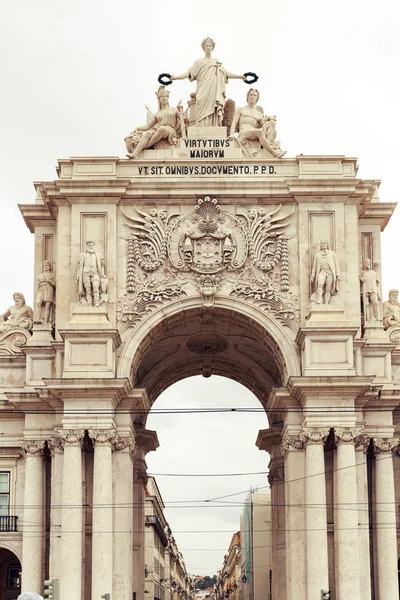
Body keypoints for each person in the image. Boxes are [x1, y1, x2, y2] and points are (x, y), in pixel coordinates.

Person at [170, 38, 245, 127]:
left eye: (210, 46)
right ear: (203, 47)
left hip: (214, 90)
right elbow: (189, 73)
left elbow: (226, 73)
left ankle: (214, 126)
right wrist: (176, 77)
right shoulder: (198, 62)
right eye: (206, 46)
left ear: (212, 47)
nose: (208, 47)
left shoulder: (217, 63)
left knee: (214, 107)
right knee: (200, 108)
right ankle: (201, 126)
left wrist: (240, 76)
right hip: (202, 90)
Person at [125, 86, 184, 159]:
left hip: (170, 131)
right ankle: (135, 153)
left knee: (161, 129)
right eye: (162, 96)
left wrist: (182, 111)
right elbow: (147, 127)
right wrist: (138, 128)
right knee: (148, 133)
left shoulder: (173, 110)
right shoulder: (157, 114)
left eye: (166, 96)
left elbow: (184, 119)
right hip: (159, 130)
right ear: (159, 99)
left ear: (168, 98)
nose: (164, 97)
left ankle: (145, 146)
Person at [229, 88, 286, 158]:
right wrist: (231, 134)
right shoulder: (241, 109)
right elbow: (234, 122)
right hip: (244, 132)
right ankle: (274, 153)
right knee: (259, 132)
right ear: (247, 97)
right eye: (250, 95)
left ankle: (266, 145)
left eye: (254, 95)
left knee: (272, 123)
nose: (252, 97)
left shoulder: (258, 114)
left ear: (257, 99)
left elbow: (265, 128)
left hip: (254, 133)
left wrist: (269, 120)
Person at [310, 240, 341, 304]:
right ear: (320, 245)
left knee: (328, 289)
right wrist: (312, 276)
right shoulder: (317, 255)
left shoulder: (332, 253)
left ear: (327, 244)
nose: (323, 244)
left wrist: (338, 275)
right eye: (322, 243)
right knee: (320, 284)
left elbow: (336, 265)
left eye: (325, 243)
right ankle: (318, 300)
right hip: (322, 272)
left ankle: (326, 303)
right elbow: (314, 267)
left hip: (330, 272)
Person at [76, 241, 105, 307]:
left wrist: (102, 274)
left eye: (92, 245)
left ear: (93, 246)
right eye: (89, 245)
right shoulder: (82, 255)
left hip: (95, 273)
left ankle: (97, 303)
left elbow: (102, 265)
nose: (91, 246)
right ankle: (89, 304)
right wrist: (78, 275)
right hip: (85, 273)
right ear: (87, 246)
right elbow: (79, 266)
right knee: (88, 290)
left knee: (95, 286)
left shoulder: (98, 255)